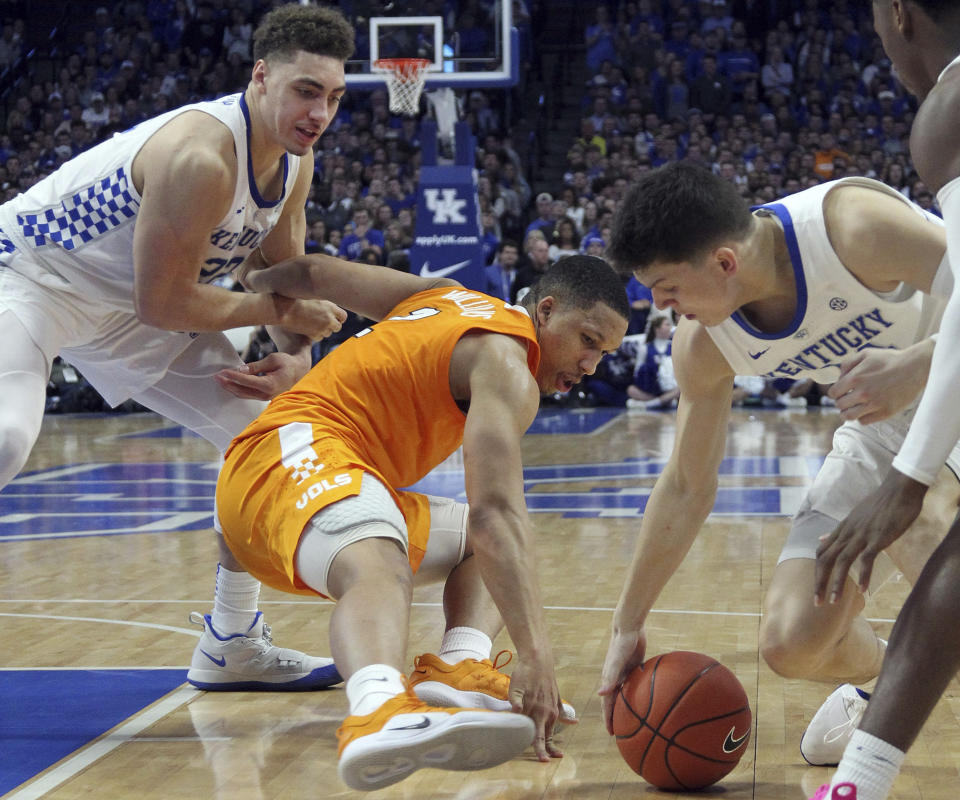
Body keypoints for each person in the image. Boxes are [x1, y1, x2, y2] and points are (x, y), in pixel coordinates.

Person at [0, 5, 359, 690]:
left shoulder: (293, 166)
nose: (320, 112)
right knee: (8, 440)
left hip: (126, 307)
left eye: (335, 97)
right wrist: (283, 310)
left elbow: (278, 282)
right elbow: (164, 303)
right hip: (31, 276)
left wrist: (295, 354)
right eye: (306, 90)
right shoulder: (201, 156)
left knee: (261, 438)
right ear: (261, 77)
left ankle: (233, 643)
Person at [216, 254, 629, 790]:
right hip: (287, 456)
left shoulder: (443, 294)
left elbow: (315, 274)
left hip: (291, 494)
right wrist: (536, 656)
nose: (592, 364)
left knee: (483, 546)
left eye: (605, 352)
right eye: (589, 340)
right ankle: (378, 707)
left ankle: (459, 663)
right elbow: (495, 512)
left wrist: (257, 280)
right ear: (546, 312)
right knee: (391, 559)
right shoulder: (508, 364)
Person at [595, 162, 959, 767]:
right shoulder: (706, 344)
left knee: (923, 535)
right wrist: (626, 625)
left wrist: (922, 362)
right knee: (794, 643)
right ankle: (895, 670)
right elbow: (686, 486)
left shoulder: (852, 228)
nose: (658, 305)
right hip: (886, 432)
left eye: (666, 286)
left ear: (724, 262)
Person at [809, 2, 960, 798]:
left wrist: (908, 478)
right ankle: (859, 779)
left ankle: (859, 781)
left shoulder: (949, 109)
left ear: (900, 13)